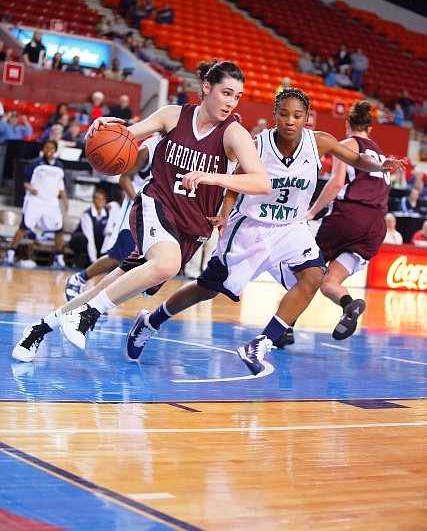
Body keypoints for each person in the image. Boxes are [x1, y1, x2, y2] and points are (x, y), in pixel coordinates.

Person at [122, 90, 403, 376]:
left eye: (297, 116)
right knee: (207, 289)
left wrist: (381, 164)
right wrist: (224, 214)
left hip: (291, 228)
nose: (290, 121)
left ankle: (262, 342)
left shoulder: (320, 141)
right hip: (251, 226)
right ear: (274, 115)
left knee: (315, 276)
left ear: (307, 118)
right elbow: (233, 183)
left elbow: (357, 160)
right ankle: (151, 321)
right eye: (283, 114)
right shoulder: (257, 145)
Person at [12, 59, 271, 363]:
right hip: (155, 203)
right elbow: (124, 136)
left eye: (237, 96)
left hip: (191, 227)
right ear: (206, 88)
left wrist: (212, 177)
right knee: (167, 264)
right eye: (226, 93)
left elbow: (261, 182)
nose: (231, 102)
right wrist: (99, 130)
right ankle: (88, 316)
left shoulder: (233, 133)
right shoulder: (174, 116)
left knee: (112, 284)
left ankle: (39, 329)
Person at [305, 100, 400, 342]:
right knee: (329, 281)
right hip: (376, 226)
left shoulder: (347, 145)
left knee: (307, 271)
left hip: (350, 217)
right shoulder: (380, 154)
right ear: (371, 129)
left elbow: (336, 183)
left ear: (347, 124)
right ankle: (349, 305)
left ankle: (284, 328)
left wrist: (312, 212)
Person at [64, 134, 162, 301]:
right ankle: (79, 279)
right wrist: (138, 201)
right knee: (118, 256)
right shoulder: (148, 149)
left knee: (156, 254)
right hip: (136, 207)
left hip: (157, 209)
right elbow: (124, 178)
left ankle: (105, 298)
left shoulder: (176, 146)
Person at [5, 139, 68, 269]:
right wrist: (30, 189)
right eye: (46, 147)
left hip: (51, 202)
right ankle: (10, 253)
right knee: (24, 227)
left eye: (51, 148)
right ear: (42, 149)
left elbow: (61, 187)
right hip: (35, 201)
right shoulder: (35, 164)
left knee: (59, 230)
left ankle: (59, 257)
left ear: (55, 150)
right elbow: (25, 182)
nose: (49, 150)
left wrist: (65, 201)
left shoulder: (60, 166)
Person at [67, 189, 118, 269]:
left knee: (110, 237)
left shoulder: (108, 212)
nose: (100, 201)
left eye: (102, 199)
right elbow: (89, 237)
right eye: (97, 198)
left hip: (96, 239)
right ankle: (77, 263)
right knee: (82, 239)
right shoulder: (87, 214)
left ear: (105, 201)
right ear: (93, 200)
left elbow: (108, 231)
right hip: (80, 240)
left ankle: (104, 263)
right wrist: (94, 261)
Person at [0, 111, 33, 187]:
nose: (14, 119)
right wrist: (5, 119)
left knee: (12, 167)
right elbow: (0, 128)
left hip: (15, 150)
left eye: (16, 118)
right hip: (4, 149)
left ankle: (10, 184)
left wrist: (25, 121)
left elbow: (29, 131)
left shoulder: (19, 128)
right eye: (12, 117)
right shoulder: (5, 125)